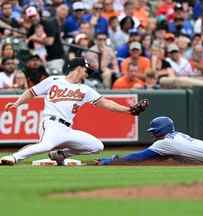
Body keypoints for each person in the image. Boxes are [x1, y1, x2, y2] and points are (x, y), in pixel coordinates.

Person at [0, 57, 145, 166]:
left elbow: (106, 103)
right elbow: (32, 92)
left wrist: (128, 110)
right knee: (45, 145)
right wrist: (18, 103)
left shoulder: (85, 89)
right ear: (79, 68)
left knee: (97, 146)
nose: (87, 74)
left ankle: (60, 155)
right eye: (86, 70)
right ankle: (14, 157)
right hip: (51, 123)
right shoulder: (54, 80)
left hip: (67, 129)